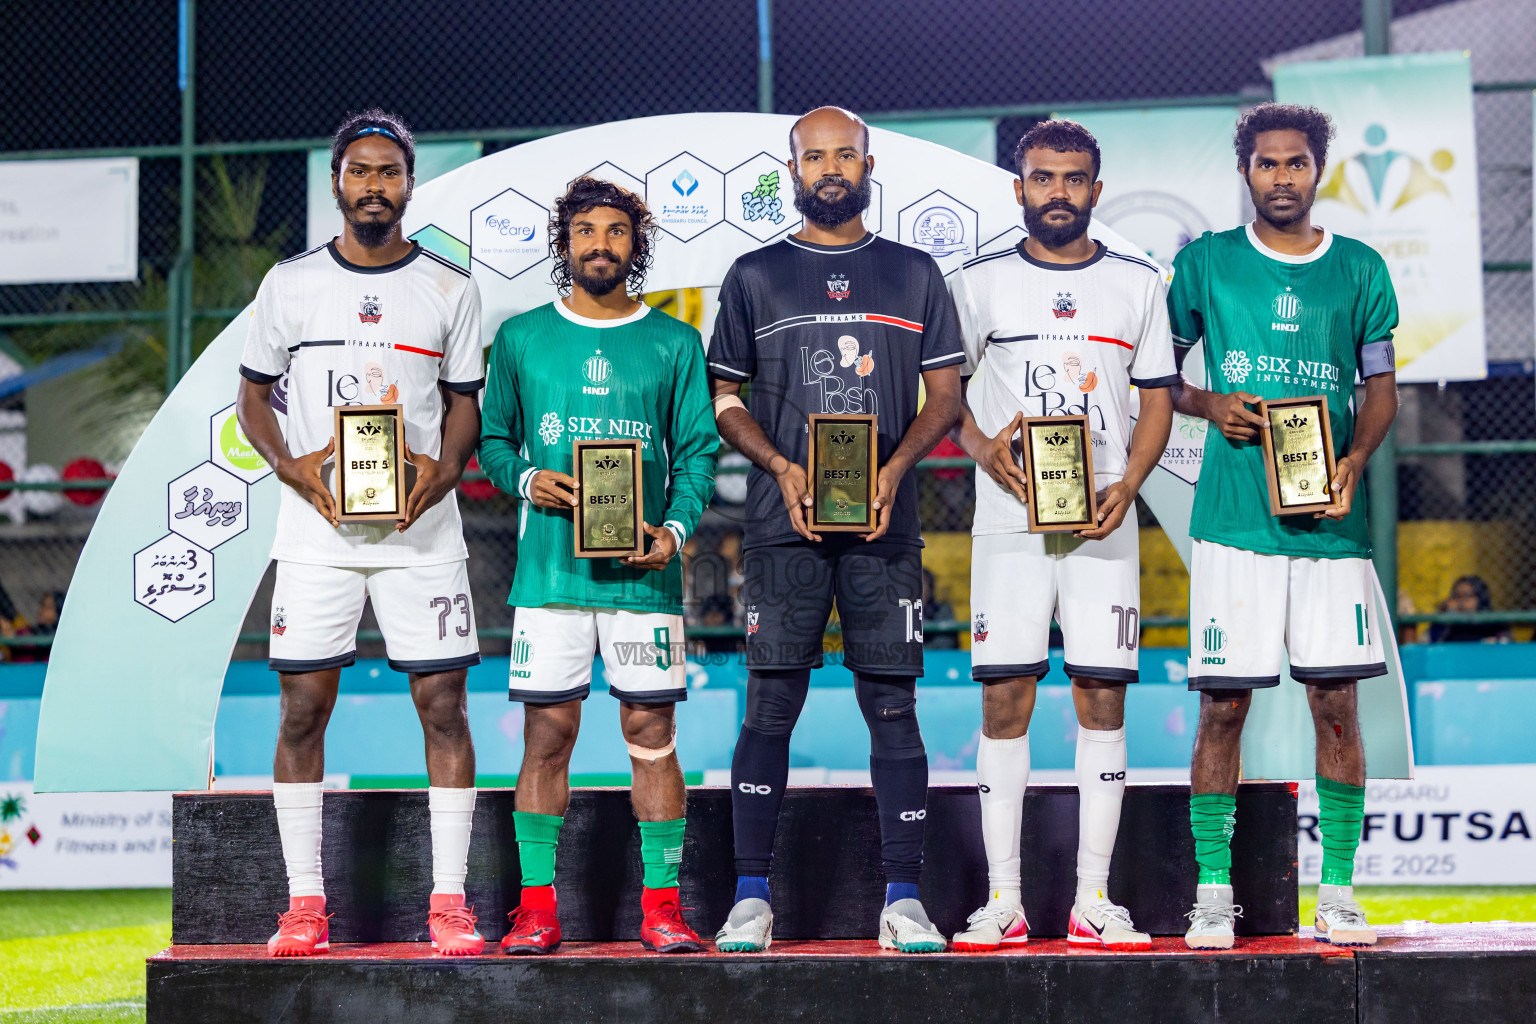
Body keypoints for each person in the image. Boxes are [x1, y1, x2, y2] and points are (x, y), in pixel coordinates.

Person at [707, 106, 964, 954]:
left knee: (894, 707)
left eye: (843, 155)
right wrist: (782, 468)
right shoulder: (754, 275)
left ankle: (903, 899)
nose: (829, 168)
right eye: (813, 155)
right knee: (770, 705)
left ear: (867, 162)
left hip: (884, 528)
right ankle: (750, 898)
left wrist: (891, 473)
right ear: (792, 168)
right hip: (784, 529)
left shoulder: (914, 272)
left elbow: (947, 400)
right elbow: (725, 401)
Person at [236, 109, 487, 957]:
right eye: (360, 172)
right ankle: (305, 904)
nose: (374, 185)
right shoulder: (291, 283)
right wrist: (293, 469)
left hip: (423, 534)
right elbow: (251, 398)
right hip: (317, 533)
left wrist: (444, 474)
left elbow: (463, 409)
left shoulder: (449, 286)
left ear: (409, 184)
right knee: (303, 706)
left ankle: (448, 903)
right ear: (337, 183)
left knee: (443, 704)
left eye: (389, 172)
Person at [1167, 103, 1399, 949]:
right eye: (1266, 164)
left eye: (1296, 163)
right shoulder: (1207, 264)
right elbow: (1159, 376)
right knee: (1222, 708)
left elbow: (1381, 391)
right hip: (1233, 524)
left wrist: (1352, 464)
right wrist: (1208, 402)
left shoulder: (1362, 270)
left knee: (1336, 706)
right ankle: (1215, 892)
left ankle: (1338, 892)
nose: (1281, 178)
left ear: (1318, 169)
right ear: (1246, 172)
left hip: (1331, 526)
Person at [946, 120, 1175, 950]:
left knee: (1101, 696)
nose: (1057, 193)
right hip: (1009, 519)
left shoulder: (1140, 284)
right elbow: (947, 396)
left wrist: (1132, 484)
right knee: (1004, 696)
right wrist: (980, 447)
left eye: (1073, 179)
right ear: (1019, 188)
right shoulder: (977, 284)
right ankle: (1004, 900)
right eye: (1042, 178)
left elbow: (1157, 397)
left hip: (1102, 521)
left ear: (1096, 191)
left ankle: (1091, 900)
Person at [478, 177, 717, 955]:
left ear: (636, 245)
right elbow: (492, 443)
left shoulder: (675, 343)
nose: (601, 244)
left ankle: (662, 908)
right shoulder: (521, 338)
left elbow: (697, 454)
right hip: (550, 576)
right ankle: (538, 909)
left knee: (652, 730)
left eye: (617, 231)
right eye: (586, 230)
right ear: (564, 242)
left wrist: (674, 530)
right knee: (547, 733)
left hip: (643, 573)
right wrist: (525, 478)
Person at [1428, 575, 1511, 643]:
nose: (1461, 601)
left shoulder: (1494, 624)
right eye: (1457, 596)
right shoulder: (1448, 625)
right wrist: (1444, 615)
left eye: (1467, 596)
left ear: (1481, 598)